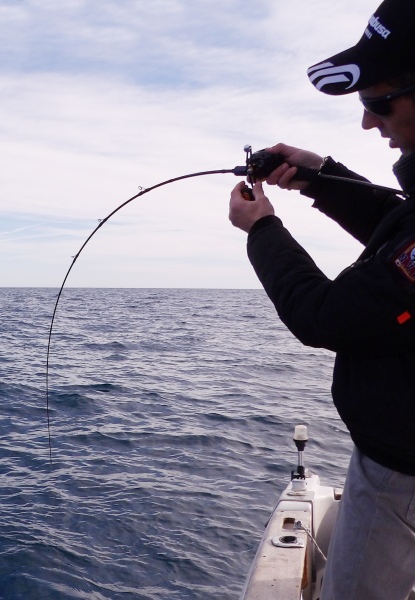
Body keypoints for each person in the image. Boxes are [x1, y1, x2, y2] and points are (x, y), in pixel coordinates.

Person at [228, 0, 415, 598]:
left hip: (401, 475)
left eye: (379, 101)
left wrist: (262, 231)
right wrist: (318, 175)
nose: (368, 123)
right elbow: (400, 225)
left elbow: (325, 315)